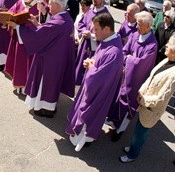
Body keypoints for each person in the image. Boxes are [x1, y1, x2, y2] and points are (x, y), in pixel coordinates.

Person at [9, 0, 75, 117]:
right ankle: (50, 106)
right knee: (53, 84)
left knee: (45, 85)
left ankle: (45, 108)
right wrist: (36, 24)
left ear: (57, 5)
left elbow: (38, 35)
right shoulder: (67, 19)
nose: (48, 7)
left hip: (49, 60)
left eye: (50, 4)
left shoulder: (58, 23)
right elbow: (49, 32)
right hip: (59, 58)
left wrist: (17, 27)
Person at [66, 13, 123, 151]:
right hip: (93, 87)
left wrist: (91, 68)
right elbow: (98, 61)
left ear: (107, 29)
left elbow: (101, 77)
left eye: (96, 29)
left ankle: (85, 140)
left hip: (98, 93)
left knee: (89, 117)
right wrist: (90, 62)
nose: (93, 32)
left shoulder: (114, 52)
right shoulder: (107, 42)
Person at [119, 33, 175, 163]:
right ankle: (133, 148)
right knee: (138, 129)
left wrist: (143, 100)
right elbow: (151, 77)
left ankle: (133, 154)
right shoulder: (167, 60)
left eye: (171, 44)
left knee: (141, 133)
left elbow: (161, 97)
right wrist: (141, 91)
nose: (166, 45)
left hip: (151, 108)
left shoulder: (173, 73)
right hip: (144, 102)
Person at [107, 11, 158, 141]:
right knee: (117, 99)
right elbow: (124, 51)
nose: (136, 27)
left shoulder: (152, 45)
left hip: (135, 81)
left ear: (148, 27)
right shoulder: (135, 35)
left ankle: (119, 131)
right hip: (124, 75)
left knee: (128, 106)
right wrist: (130, 58)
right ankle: (113, 123)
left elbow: (141, 64)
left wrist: (129, 59)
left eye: (139, 24)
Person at [4, 0, 47, 93]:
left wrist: (43, 12)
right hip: (19, 41)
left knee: (30, 66)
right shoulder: (19, 3)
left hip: (32, 44)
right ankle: (19, 86)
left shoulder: (41, 5)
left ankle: (29, 87)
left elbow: (47, 23)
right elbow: (10, 14)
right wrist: (8, 20)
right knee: (20, 65)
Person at [75, 0, 110, 85]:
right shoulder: (90, 11)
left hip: (94, 49)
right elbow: (81, 24)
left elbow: (106, 35)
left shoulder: (106, 16)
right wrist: (83, 32)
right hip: (84, 46)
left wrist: (92, 36)